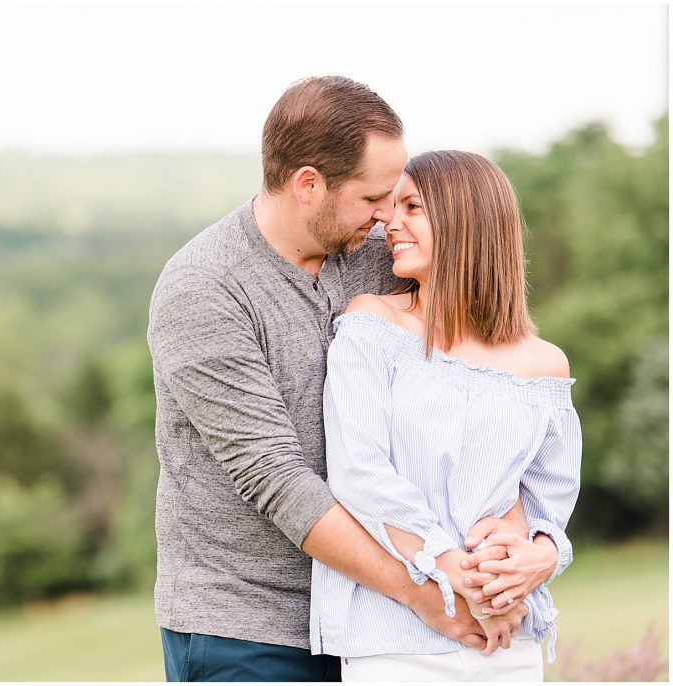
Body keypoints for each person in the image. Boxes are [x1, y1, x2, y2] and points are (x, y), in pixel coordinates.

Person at [147, 76, 559, 682]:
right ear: (308, 185)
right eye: (374, 198)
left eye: (397, 200)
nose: (387, 216)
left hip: (374, 622)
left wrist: (513, 552)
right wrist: (426, 592)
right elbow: (278, 480)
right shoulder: (204, 289)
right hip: (249, 623)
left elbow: (490, 398)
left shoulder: (376, 255)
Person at [310, 150, 582, 681]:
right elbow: (359, 472)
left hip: (506, 634)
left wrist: (539, 556)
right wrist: (454, 570)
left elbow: (550, 496)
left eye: (412, 206)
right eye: (392, 206)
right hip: (394, 639)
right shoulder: (371, 325)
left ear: (464, 221)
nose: (391, 221)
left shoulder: (543, 364)